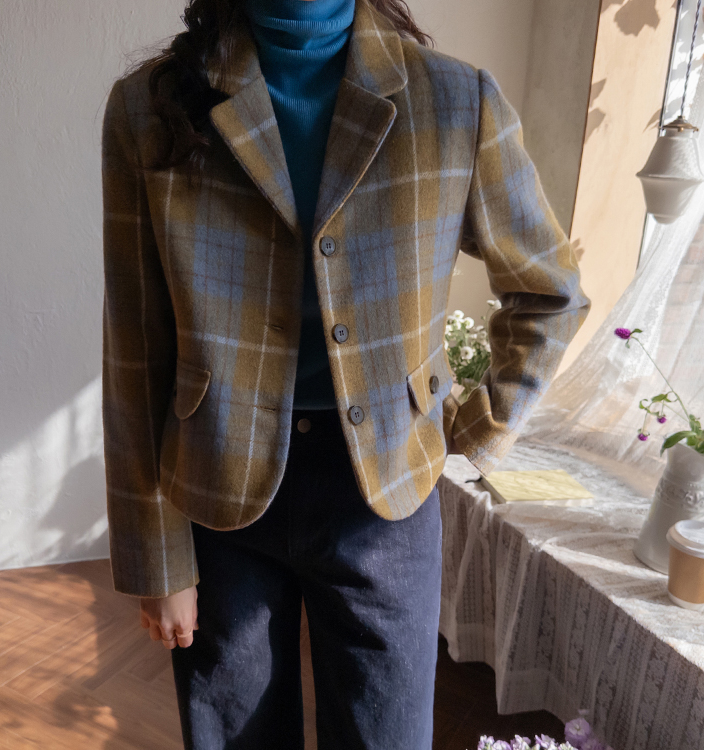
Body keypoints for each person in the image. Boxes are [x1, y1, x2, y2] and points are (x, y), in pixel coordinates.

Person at [100, 0, 590, 745]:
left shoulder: (455, 101)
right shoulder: (151, 108)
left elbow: (549, 289)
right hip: (217, 487)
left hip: (386, 493)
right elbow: (135, 347)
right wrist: (156, 556)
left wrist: (483, 425)